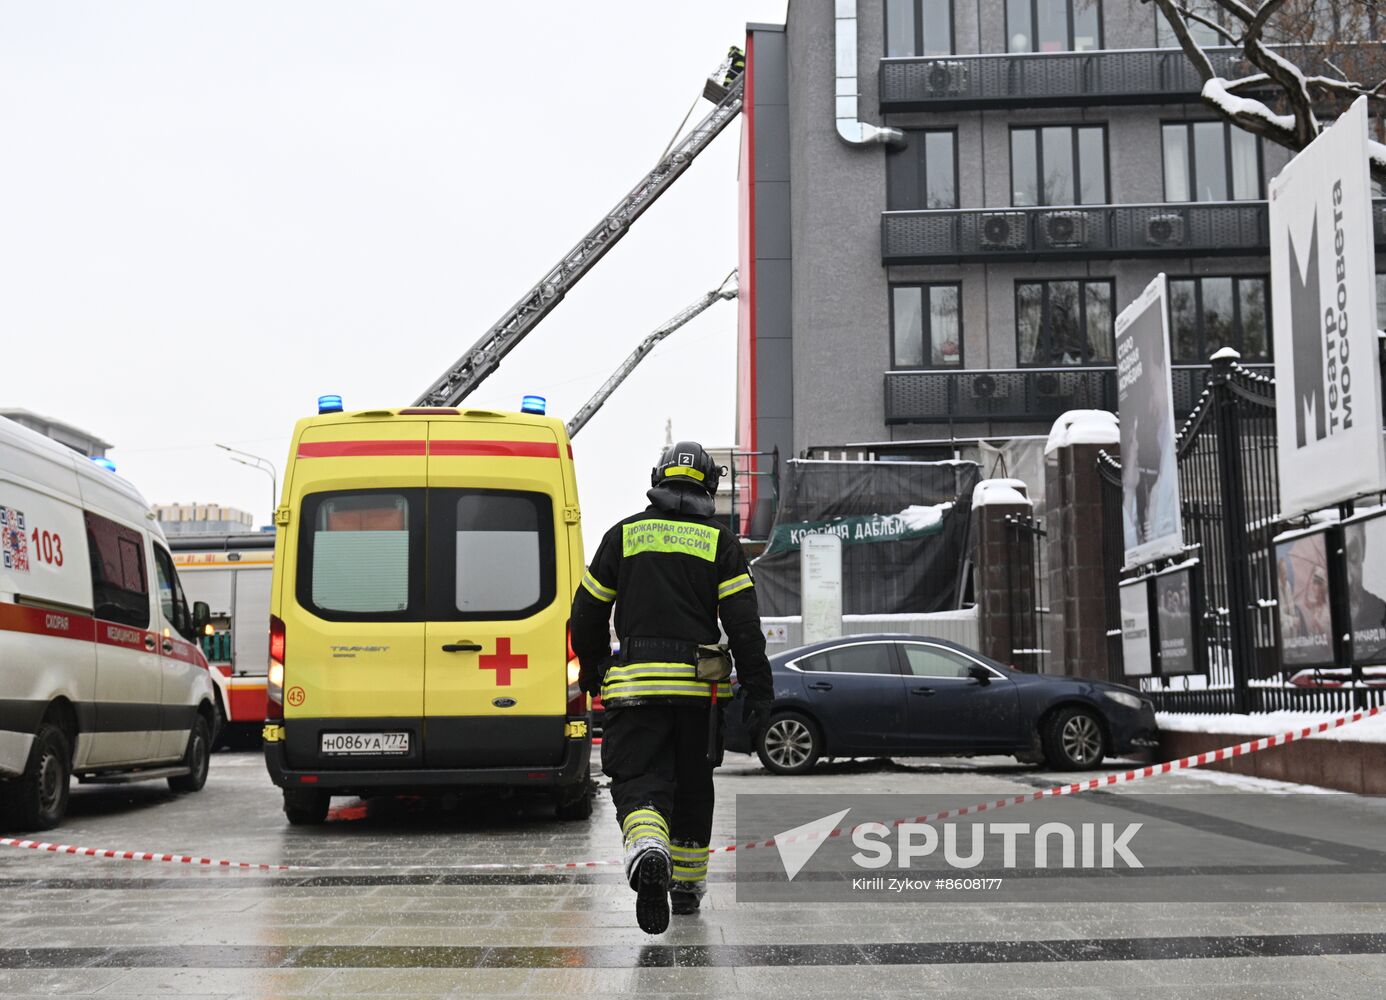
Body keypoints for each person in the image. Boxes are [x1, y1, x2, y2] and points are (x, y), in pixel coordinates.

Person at [570, 441, 773, 935]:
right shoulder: (720, 542)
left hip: (635, 688)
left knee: (639, 780)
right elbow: (744, 625)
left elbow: (588, 610)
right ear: (710, 485)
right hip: (696, 698)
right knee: (691, 788)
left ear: (658, 478)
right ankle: (684, 889)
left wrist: (595, 666)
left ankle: (646, 846)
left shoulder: (625, 535)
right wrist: (759, 691)